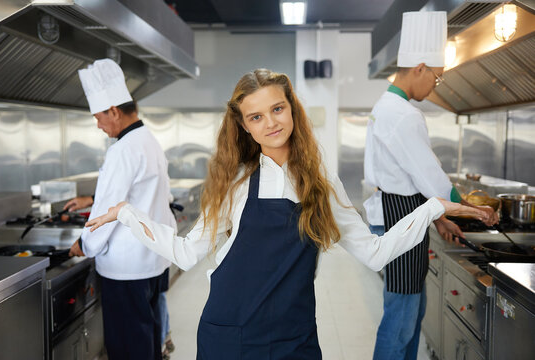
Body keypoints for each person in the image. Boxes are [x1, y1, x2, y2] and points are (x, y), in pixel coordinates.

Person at [84, 69, 489, 360]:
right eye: (256, 117)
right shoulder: (237, 183)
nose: (270, 123)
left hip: (295, 340)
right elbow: (188, 253)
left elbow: (376, 252)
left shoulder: (321, 181)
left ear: (291, 108)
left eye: (277, 109)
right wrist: (126, 214)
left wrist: (433, 206)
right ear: (244, 126)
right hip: (231, 339)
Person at [363, 12, 499, 360]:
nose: (435, 85)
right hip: (400, 222)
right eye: (437, 78)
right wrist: (474, 210)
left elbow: (412, 175)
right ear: (420, 67)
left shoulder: (388, 106)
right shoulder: (402, 114)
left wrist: (439, 218)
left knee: (412, 314)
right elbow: (430, 176)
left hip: (404, 217)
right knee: (401, 321)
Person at [64, 58, 176, 360]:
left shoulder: (122, 151)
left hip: (126, 269)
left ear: (114, 111)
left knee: (128, 348)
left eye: (99, 116)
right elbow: (149, 195)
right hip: (152, 260)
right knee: (147, 339)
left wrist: (84, 244)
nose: (98, 124)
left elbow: (106, 213)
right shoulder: (147, 140)